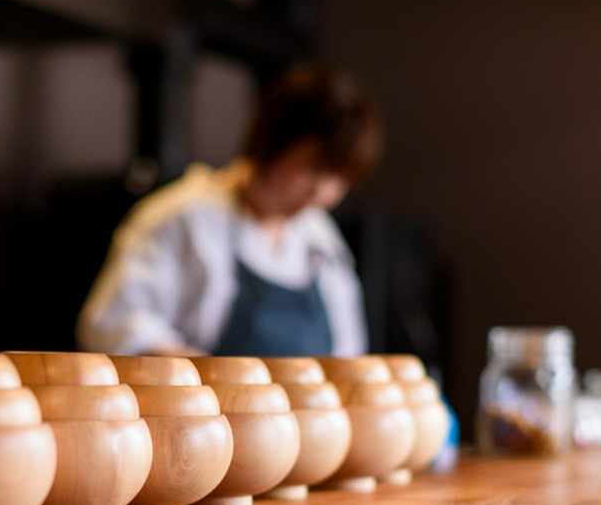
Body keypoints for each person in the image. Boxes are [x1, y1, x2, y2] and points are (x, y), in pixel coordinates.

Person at [76, 64, 383, 357]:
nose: (323, 192)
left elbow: (348, 350)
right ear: (272, 141)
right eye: (314, 168)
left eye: (340, 179)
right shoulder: (184, 217)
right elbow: (112, 323)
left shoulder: (322, 240)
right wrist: (197, 373)